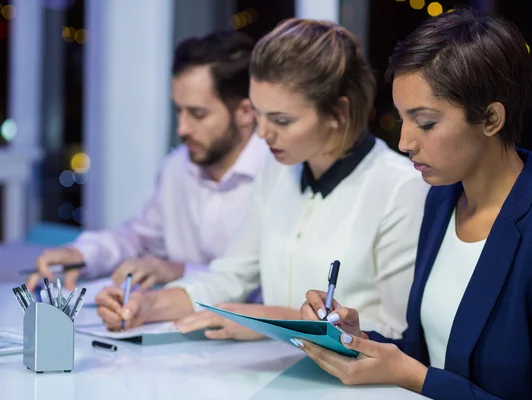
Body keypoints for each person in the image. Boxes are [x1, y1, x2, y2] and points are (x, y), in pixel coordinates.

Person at [296, 8, 532, 400]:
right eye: (401, 119)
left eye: (425, 123)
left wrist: (416, 379)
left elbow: (429, 376)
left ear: (491, 119)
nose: (405, 142)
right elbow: (435, 356)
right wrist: (358, 340)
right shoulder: (442, 201)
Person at [94, 19, 429, 340]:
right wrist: (146, 305)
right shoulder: (277, 171)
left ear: (338, 113)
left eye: (281, 120)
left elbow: (396, 335)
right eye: (258, 114)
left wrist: (270, 320)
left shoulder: (400, 188)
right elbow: (230, 276)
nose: (263, 133)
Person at [26, 31, 268, 292]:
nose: (182, 128)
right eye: (179, 111)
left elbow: (273, 287)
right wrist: (82, 254)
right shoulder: (178, 166)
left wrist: (178, 271)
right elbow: (139, 240)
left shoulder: (278, 173)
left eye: (198, 114)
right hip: (174, 325)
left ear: (245, 112)